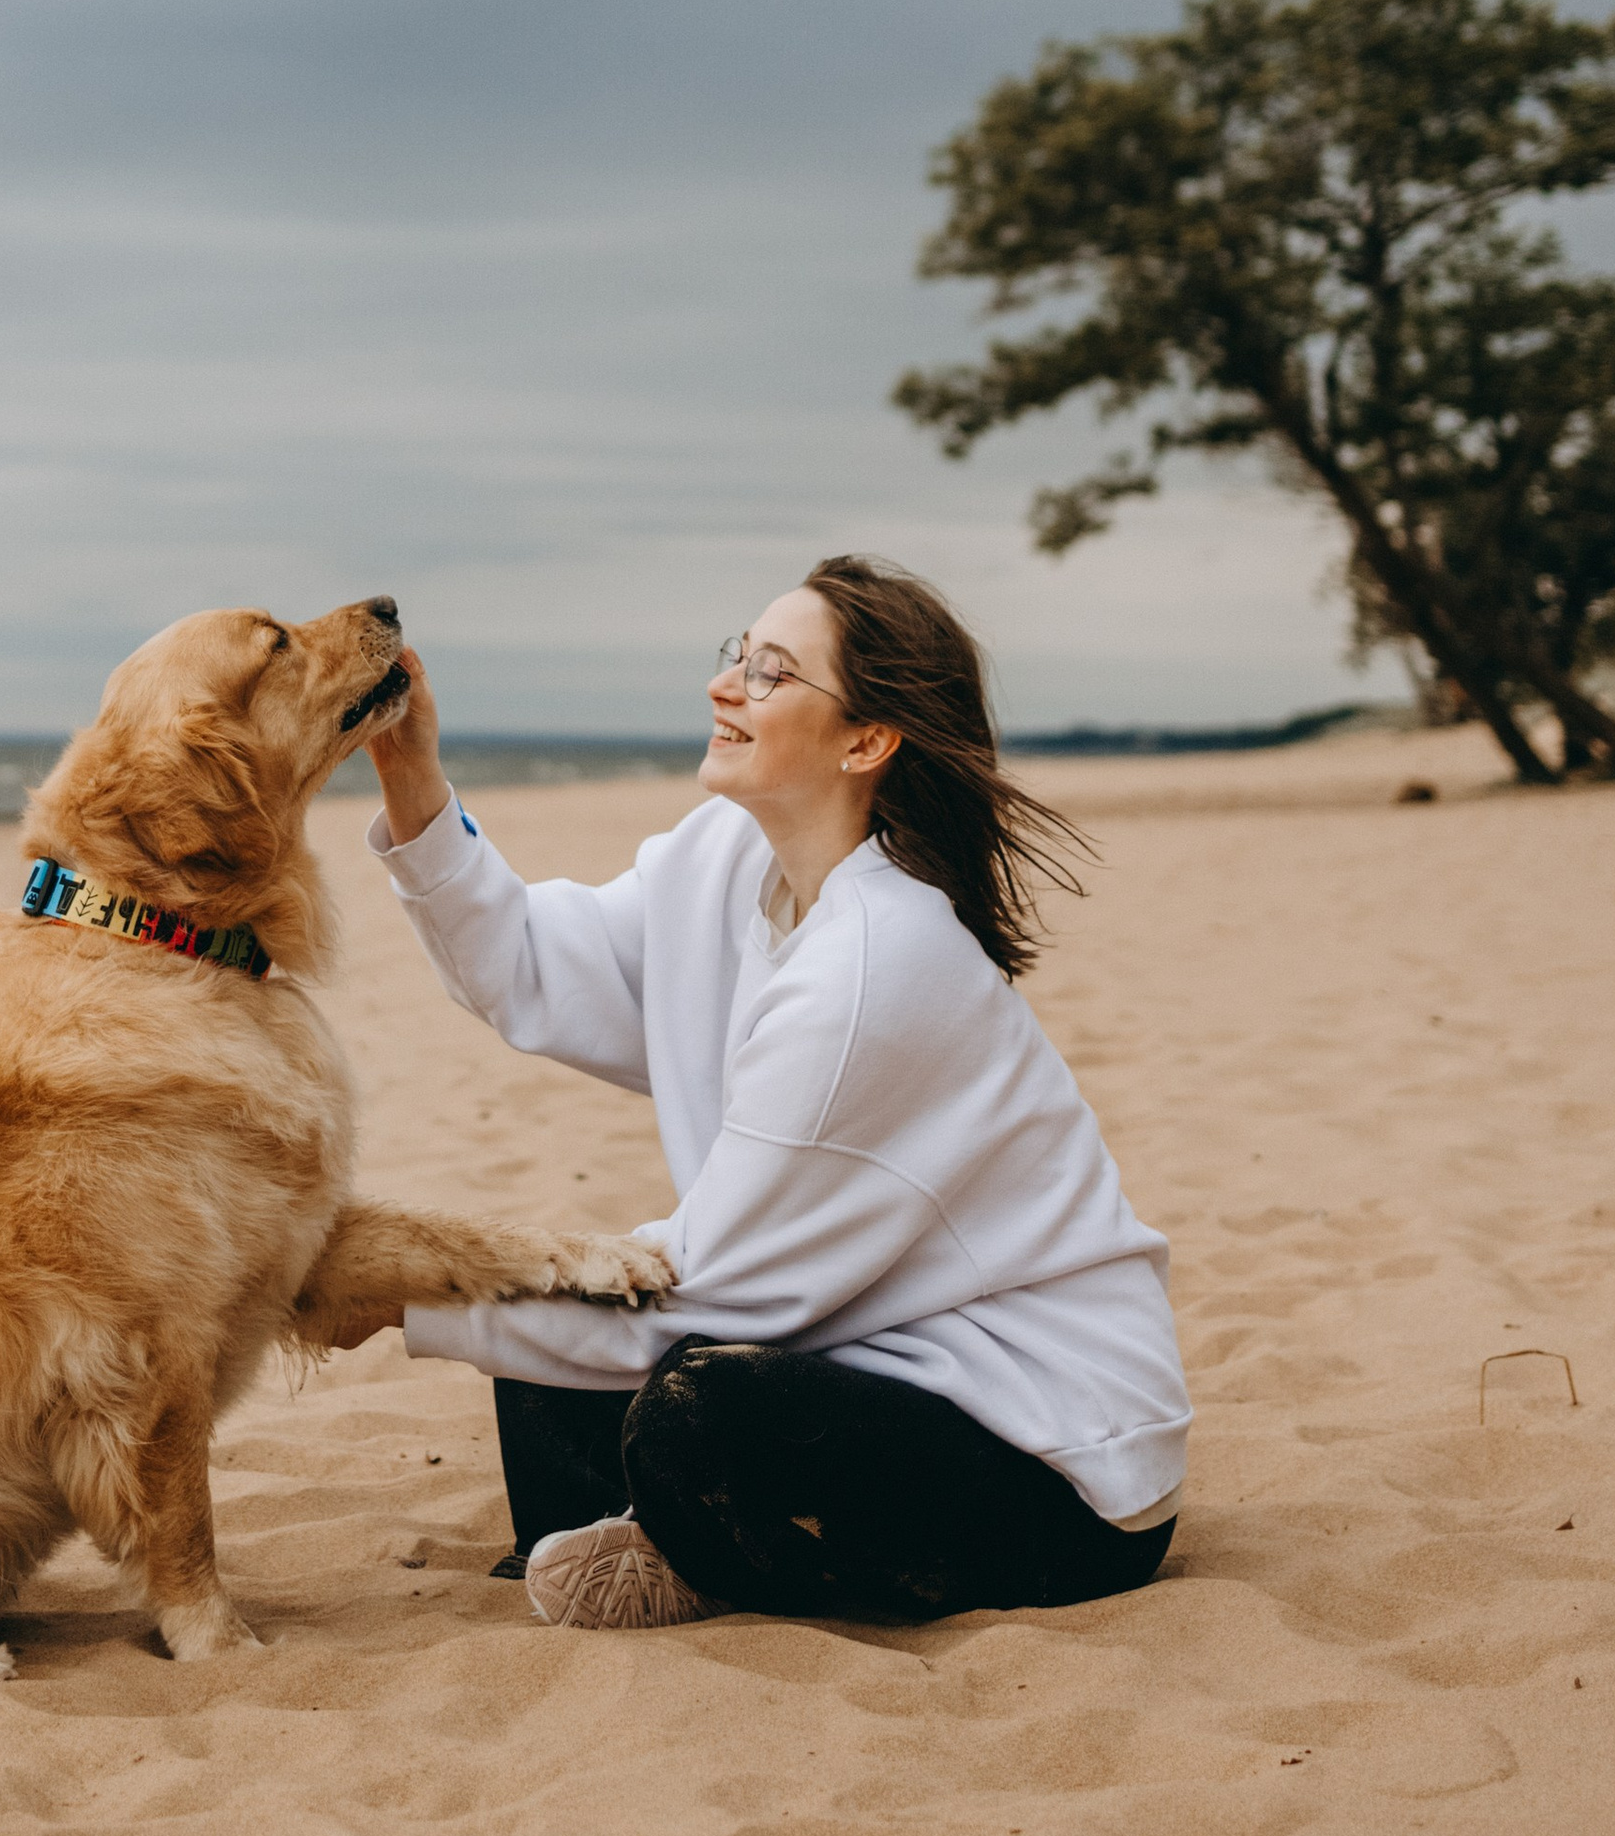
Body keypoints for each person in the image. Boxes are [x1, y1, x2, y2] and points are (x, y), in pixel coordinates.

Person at [356, 556, 1191, 1630]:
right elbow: (526, 964)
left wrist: (396, 1289)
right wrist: (409, 774)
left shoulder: (878, 965)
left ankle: (689, 1556)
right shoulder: (722, 855)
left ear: (864, 740)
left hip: (1058, 1461)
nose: (725, 686)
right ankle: (630, 1545)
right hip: (861, 1348)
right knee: (550, 1324)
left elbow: (712, 1294)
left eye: (770, 672)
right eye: (735, 656)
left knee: (687, 1404)